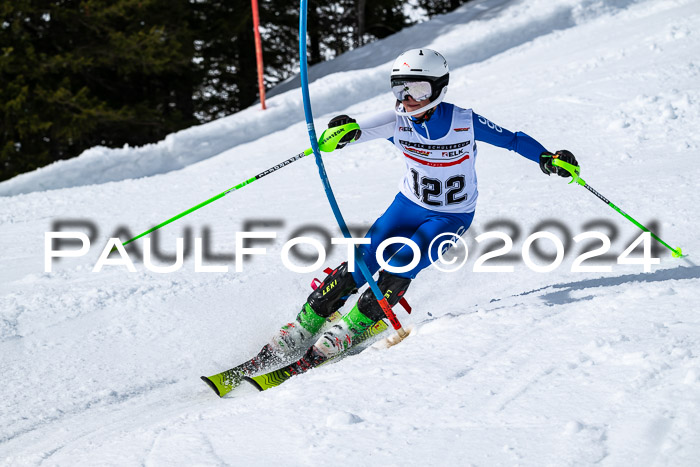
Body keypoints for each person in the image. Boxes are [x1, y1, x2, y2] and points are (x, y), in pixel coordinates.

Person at [206, 48, 579, 391]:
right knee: (362, 260)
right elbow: (347, 134)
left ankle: (353, 327)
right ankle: (303, 327)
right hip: (408, 205)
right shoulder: (395, 120)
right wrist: (340, 132)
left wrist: (548, 157)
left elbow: (513, 140)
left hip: (451, 217)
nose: (407, 99)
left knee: (404, 260)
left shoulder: (464, 121)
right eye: (400, 89)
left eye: (416, 89)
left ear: (438, 88)